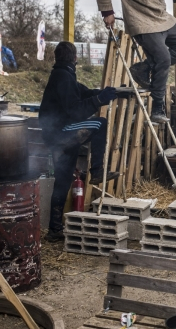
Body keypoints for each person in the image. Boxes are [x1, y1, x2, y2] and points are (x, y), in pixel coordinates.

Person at [39, 42, 121, 243]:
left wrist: (102, 93)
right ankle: (97, 171)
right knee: (100, 124)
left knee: (63, 181)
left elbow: (83, 92)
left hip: (56, 135)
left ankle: (54, 230)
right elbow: (75, 110)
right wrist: (100, 99)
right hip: (61, 133)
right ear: (74, 58)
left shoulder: (62, 74)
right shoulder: (63, 77)